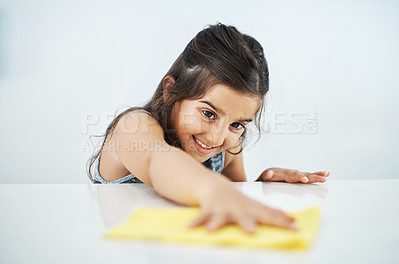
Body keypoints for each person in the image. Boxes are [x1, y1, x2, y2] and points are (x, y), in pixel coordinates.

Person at [87, 23, 330, 233]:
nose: (217, 137)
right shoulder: (135, 126)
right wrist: (213, 188)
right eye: (208, 113)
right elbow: (158, 162)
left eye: (236, 124)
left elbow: (233, 205)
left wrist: (262, 186)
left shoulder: (228, 149)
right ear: (170, 91)